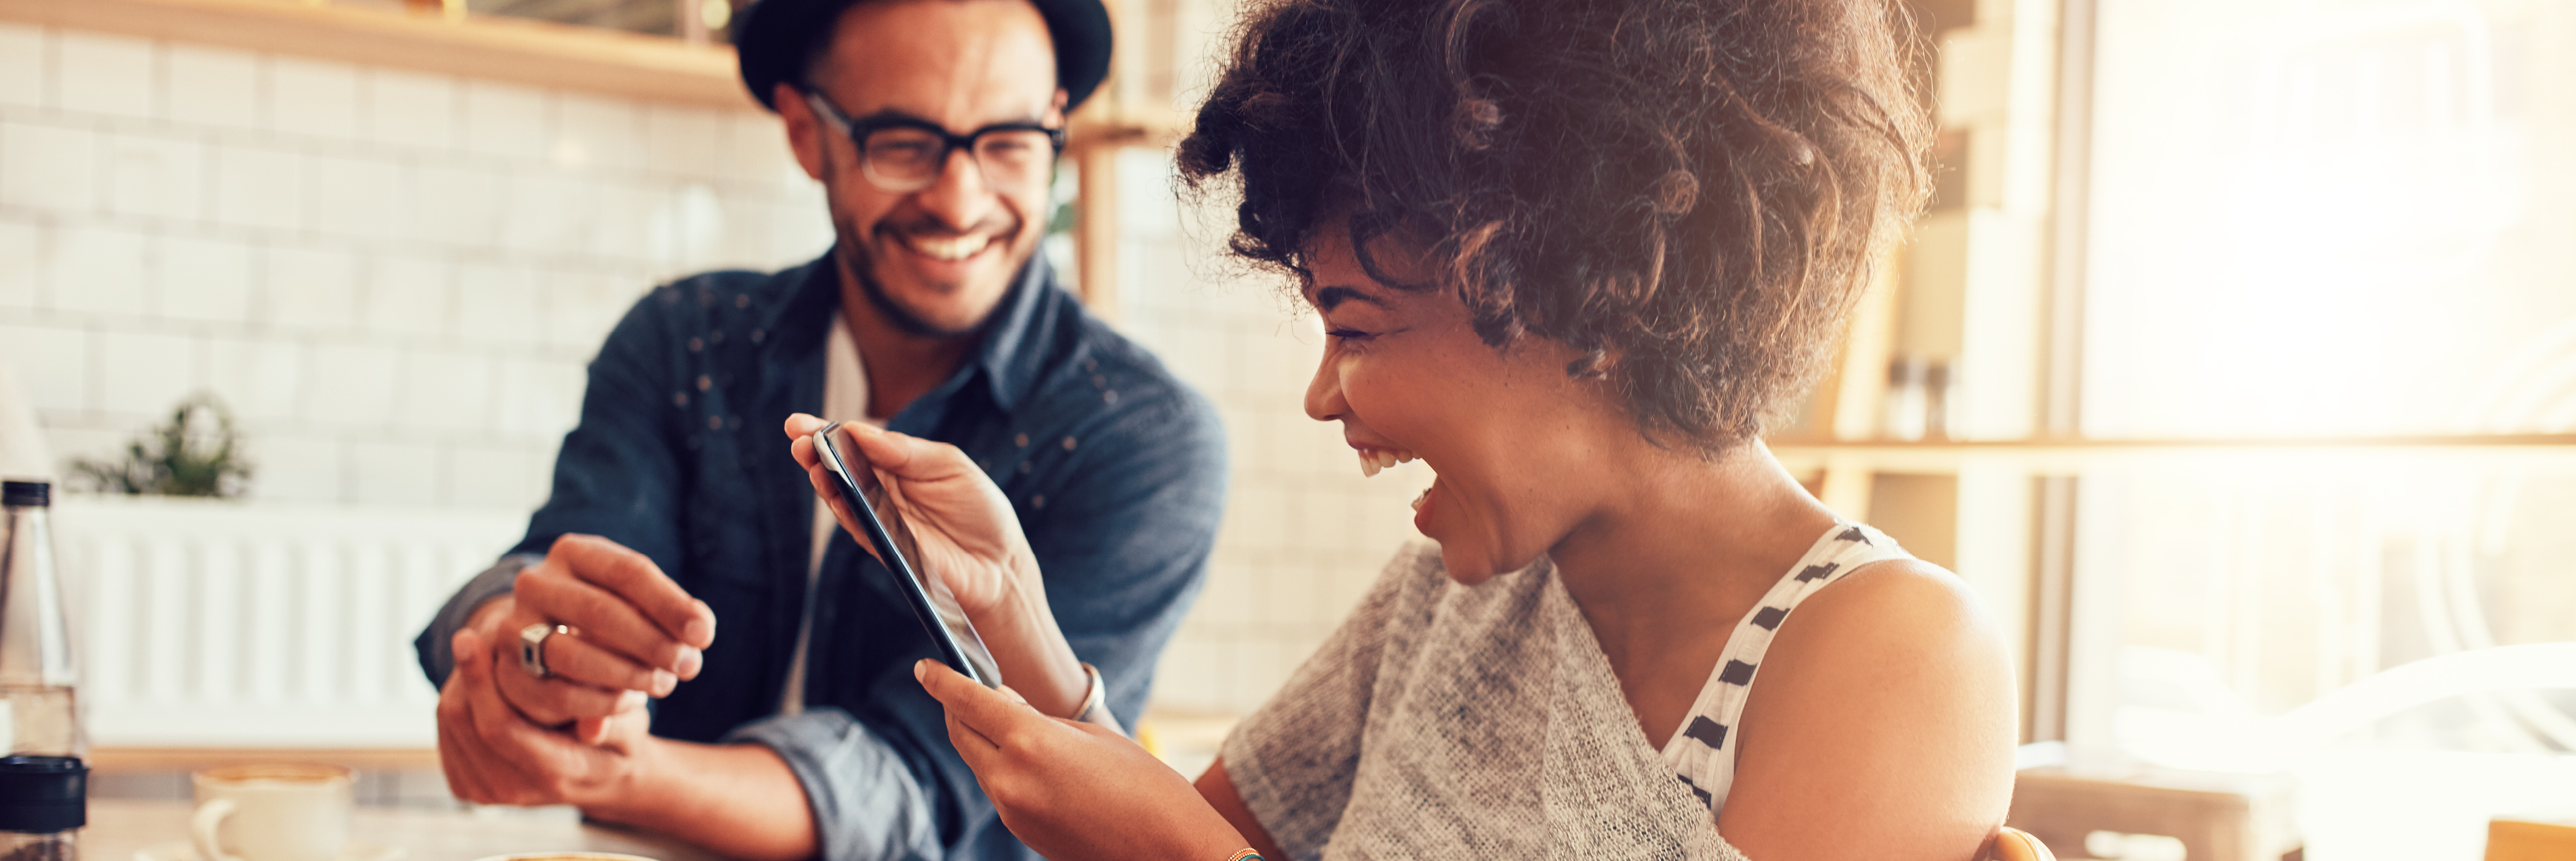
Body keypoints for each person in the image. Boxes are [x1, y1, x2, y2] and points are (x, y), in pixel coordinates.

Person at [784, 0, 2019, 858]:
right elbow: (1196, 830)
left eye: (1357, 327)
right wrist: (1016, 618)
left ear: (1572, 289)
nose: (1327, 397)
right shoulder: (1453, 595)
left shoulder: (1893, 654)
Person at [410, 0, 1228, 858]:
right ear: (806, 132)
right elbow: (553, 576)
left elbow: (913, 787)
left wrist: (618, 774)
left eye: (1010, 141)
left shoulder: (1142, 437)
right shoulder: (683, 341)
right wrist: (517, 649)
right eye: (904, 144)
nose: (959, 200)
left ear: (1056, 124)